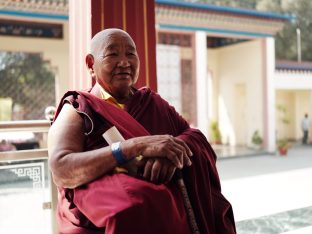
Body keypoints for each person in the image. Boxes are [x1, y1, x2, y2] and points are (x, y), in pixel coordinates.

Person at [48, 28, 236, 234]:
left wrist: (169, 155)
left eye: (130, 54)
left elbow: (192, 138)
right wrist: (133, 146)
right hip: (105, 218)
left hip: (167, 212)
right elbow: (61, 168)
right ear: (91, 64)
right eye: (113, 54)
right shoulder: (79, 107)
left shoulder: (152, 103)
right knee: (133, 207)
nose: (124, 62)